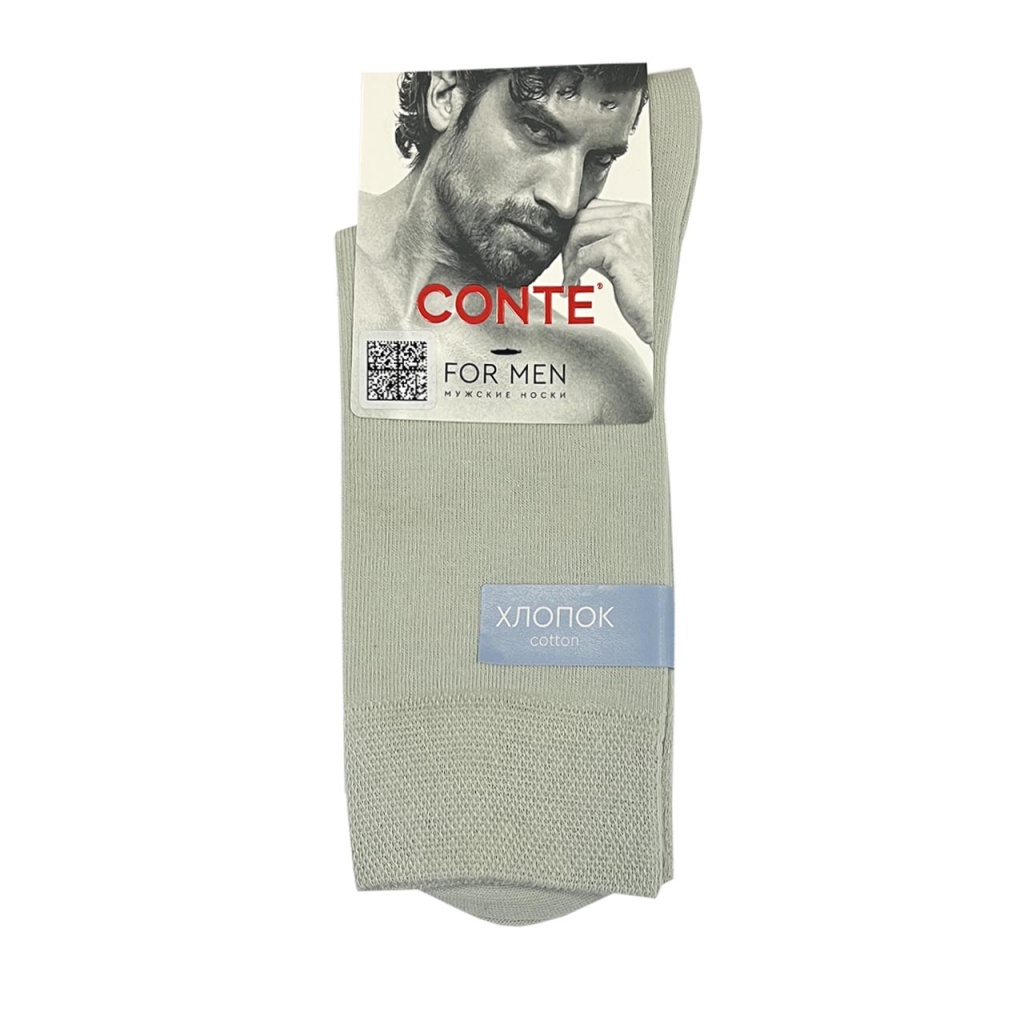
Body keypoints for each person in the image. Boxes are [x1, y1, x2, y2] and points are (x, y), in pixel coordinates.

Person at [355, 65, 655, 424]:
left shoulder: (599, 384)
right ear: (445, 94)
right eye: (539, 130)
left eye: (601, 159)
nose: (566, 200)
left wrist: (660, 314)